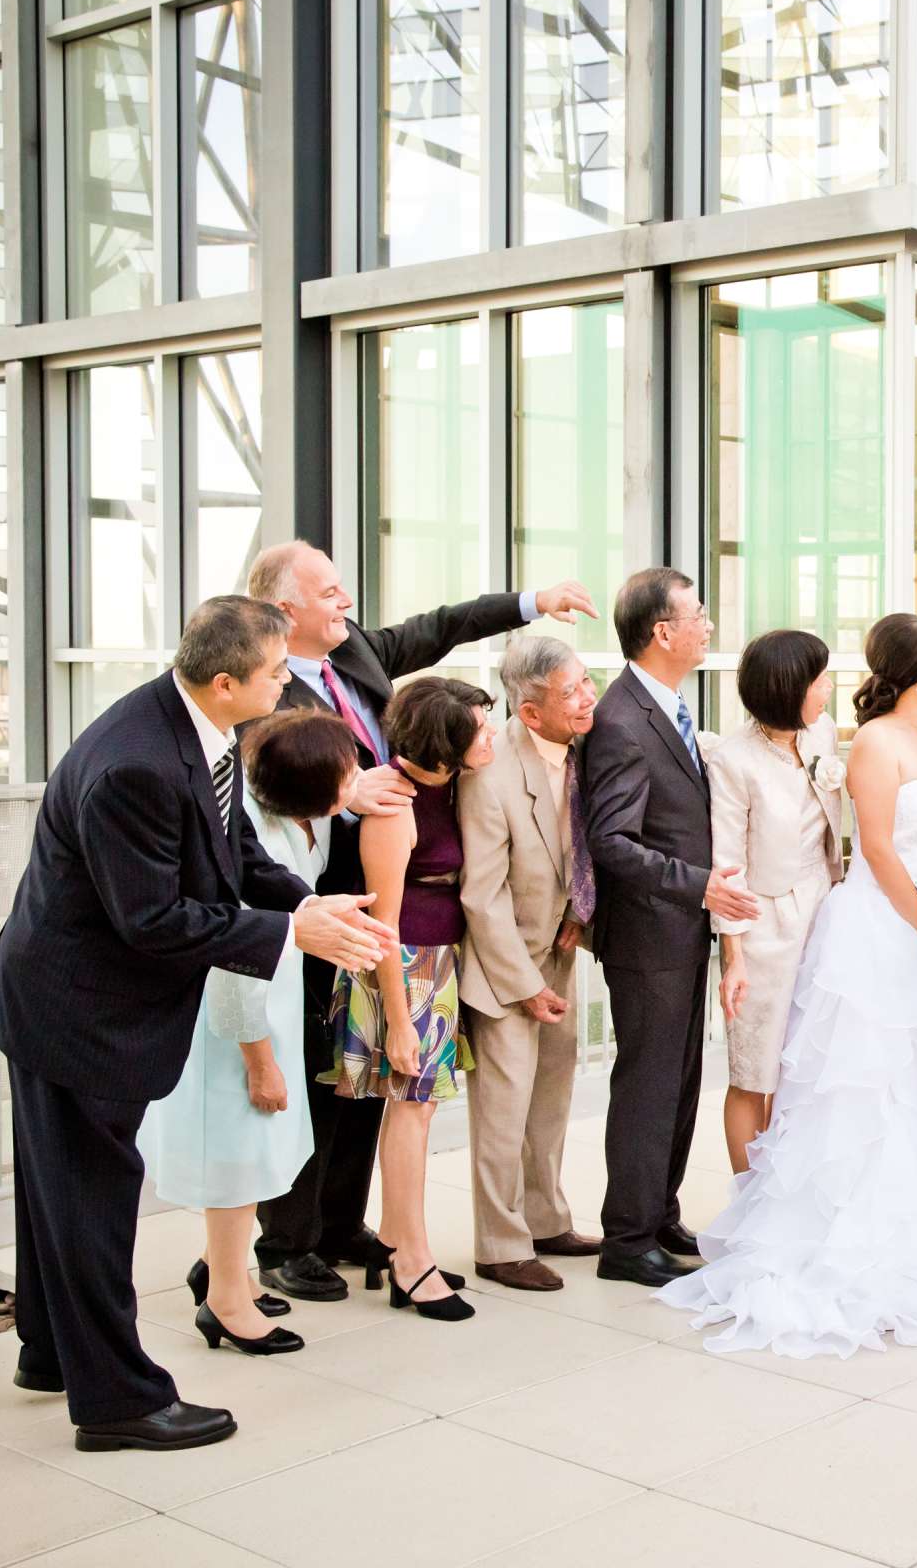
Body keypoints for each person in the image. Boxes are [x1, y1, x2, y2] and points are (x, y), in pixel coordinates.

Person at [0, 596, 390, 1451]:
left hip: (67, 994)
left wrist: (308, 902)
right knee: (91, 1203)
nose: (292, 684)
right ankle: (118, 1402)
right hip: (76, 1009)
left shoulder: (196, 727)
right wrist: (289, 933)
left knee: (60, 1193)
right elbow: (154, 921)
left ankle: (50, 1353)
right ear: (228, 679)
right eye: (280, 672)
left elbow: (232, 854)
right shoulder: (140, 764)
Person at [659, 613, 917, 1356]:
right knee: (865, 1081)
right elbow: (877, 847)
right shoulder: (876, 740)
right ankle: (843, 1230)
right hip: (881, 925)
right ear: (916, 668)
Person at [247, 540, 596, 1303]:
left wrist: (532, 602)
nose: (345, 602)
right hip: (322, 900)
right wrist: (349, 796)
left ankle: (341, 1227)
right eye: (329, 592)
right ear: (285, 611)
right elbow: (265, 798)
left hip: (393, 910)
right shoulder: (260, 693)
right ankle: (287, 1240)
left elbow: (443, 625)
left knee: (366, 1093)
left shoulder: (360, 656)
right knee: (324, 1083)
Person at [142, 709, 363, 1357]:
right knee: (238, 1171)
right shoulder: (253, 847)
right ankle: (228, 1306)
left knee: (248, 1167)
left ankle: (218, 1273)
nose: (356, 776)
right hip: (238, 1028)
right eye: (348, 769)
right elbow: (235, 972)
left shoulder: (286, 819)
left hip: (267, 1012)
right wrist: (260, 1061)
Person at [577, 568, 761, 1285]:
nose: (708, 626)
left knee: (680, 1081)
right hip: (650, 934)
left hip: (680, 931)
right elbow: (612, 842)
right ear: (663, 633)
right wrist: (701, 886)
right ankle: (626, 1240)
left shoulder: (668, 707)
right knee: (649, 1086)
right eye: (699, 615)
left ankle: (656, 1212)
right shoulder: (622, 720)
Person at [326, 677, 498, 1321]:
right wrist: (399, 1023)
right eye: (478, 729)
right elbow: (385, 925)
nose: (490, 736)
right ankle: (410, 1261)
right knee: (412, 1111)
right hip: (403, 969)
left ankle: (400, 1242)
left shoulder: (443, 785)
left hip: (437, 963)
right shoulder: (393, 805)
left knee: (414, 1113)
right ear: (444, 742)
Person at [457, 636, 604, 1291]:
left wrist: (582, 912)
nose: (587, 698)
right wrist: (522, 985)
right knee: (503, 1111)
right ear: (530, 709)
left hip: (559, 954)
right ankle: (500, 1245)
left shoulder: (583, 751)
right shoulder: (489, 773)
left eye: (585, 683)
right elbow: (480, 895)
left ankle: (545, 1219)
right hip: (503, 968)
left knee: (550, 1100)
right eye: (571, 691)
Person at [707, 629, 844, 1171]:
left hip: (824, 914)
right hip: (762, 925)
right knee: (753, 1072)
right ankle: (751, 1201)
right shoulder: (733, 760)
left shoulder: (822, 734)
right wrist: (734, 959)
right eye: (819, 679)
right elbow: (727, 863)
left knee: (803, 1070)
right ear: (789, 689)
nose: (829, 688)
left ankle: (792, 1191)